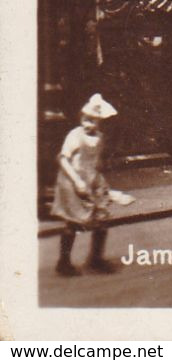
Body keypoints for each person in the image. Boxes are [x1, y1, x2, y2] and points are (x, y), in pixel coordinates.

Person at [52, 94, 122, 276]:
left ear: (99, 123)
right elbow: (63, 159)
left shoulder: (100, 138)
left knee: (101, 220)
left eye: (92, 121)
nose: (87, 124)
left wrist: (102, 185)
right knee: (73, 223)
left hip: (91, 181)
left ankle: (96, 258)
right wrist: (77, 181)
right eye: (85, 119)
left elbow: (96, 164)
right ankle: (64, 262)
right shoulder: (74, 135)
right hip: (72, 181)